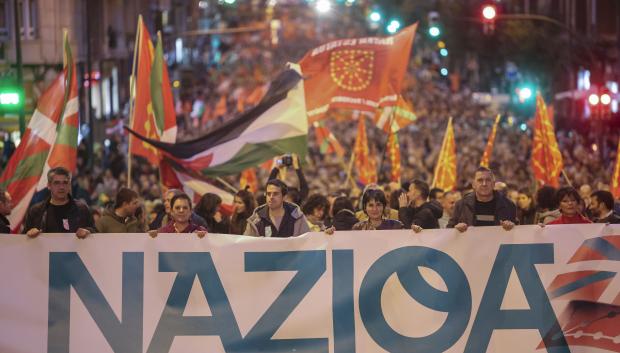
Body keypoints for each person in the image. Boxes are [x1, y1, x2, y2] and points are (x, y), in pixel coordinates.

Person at [23, 167, 95, 238]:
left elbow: (96, 234)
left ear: (69, 185)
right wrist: (29, 233)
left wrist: (88, 231)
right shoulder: (36, 211)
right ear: (49, 185)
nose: (61, 187)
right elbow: (23, 239)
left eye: (65, 183)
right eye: (56, 183)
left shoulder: (82, 209)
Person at [447, 167, 517, 232]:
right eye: (480, 180)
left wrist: (512, 227)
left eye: (488, 180)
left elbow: (519, 232)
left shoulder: (508, 205)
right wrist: (456, 229)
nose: (484, 184)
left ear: (493, 184)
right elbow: (448, 231)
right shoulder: (461, 205)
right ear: (473, 184)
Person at [245, 179, 310, 237]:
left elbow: (307, 242)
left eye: (275, 194)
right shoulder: (256, 220)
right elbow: (246, 245)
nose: (271, 197)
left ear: (284, 197)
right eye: (268, 194)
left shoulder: (297, 217)